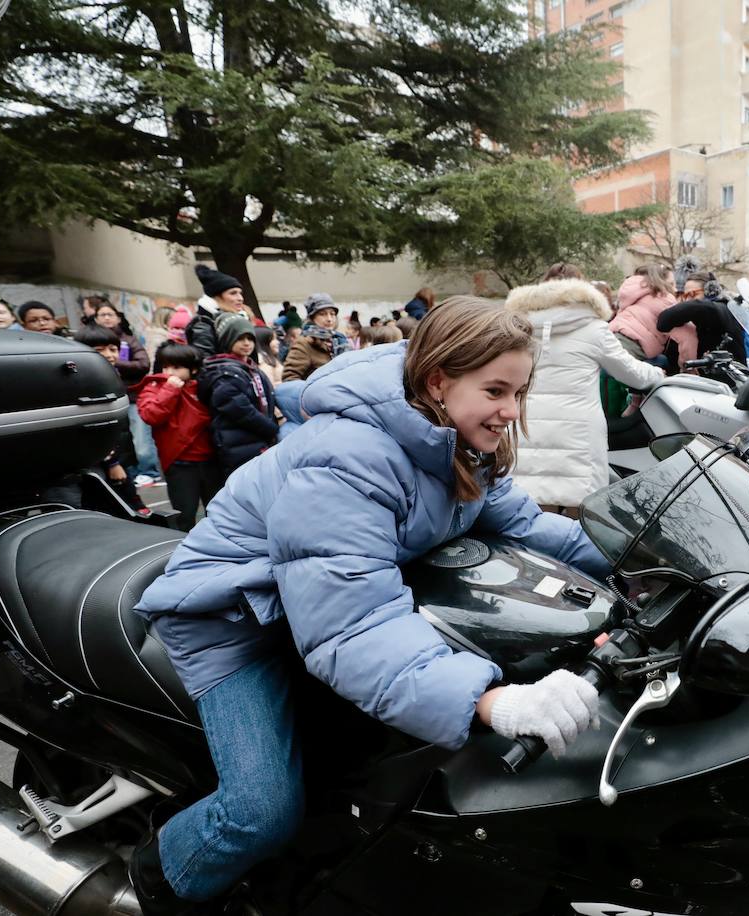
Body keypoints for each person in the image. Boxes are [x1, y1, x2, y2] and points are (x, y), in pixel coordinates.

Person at [129, 299, 609, 910]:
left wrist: (641, 559)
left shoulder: (451, 440)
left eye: (519, 392)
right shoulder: (349, 457)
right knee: (261, 811)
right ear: (438, 380)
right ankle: (153, 886)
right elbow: (350, 627)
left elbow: (532, 527)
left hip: (315, 605)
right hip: (235, 621)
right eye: (496, 390)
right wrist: (491, 700)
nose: (511, 411)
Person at [504, 279, 663, 510]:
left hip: (527, 424)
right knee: (581, 513)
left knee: (531, 505)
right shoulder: (594, 329)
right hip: (579, 432)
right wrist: (658, 373)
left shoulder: (516, 330)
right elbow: (632, 373)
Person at [137, 344, 219, 531]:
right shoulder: (155, 387)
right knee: (184, 516)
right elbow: (150, 415)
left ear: (193, 369)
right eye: (166, 367)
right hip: (179, 463)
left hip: (210, 461)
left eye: (176, 367)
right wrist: (170, 390)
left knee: (217, 513)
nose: (169, 372)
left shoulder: (204, 387)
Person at [75, 325, 151, 515]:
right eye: (99, 350)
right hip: (100, 462)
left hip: (118, 456)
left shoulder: (111, 376)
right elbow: (97, 424)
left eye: (113, 349)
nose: (109, 355)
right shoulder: (87, 383)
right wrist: (112, 463)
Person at [198, 312, 278, 481]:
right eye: (240, 338)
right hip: (238, 446)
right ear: (227, 340)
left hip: (257, 442)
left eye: (250, 338)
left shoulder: (248, 366)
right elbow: (240, 409)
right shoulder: (223, 371)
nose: (247, 343)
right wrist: (271, 429)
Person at [609, 265, 696, 370]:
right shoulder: (665, 299)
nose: (675, 289)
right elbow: (687, 335)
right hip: (633, 348)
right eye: (671, 284)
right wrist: (688, 368)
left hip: (612, 337)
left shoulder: (635, 295)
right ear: (659, 281)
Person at [657, 272, 747, 363]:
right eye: (685, 296)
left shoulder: (718, 309)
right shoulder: (708, 314)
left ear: (710, 292)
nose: (688, 300)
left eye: (692, 294)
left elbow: (663, 321)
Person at [281, 293, 349, 382]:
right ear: (312, 318)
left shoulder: (340, 340)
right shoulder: (304, 343)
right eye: (322, 314)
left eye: (332, 314)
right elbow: (289, 379)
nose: (329, 319)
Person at [187, 265, 248, 356]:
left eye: (240, 293)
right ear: (216, 297)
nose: (240, 298)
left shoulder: (240, 319)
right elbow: (206, 361)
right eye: (233, 293)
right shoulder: (203, 325)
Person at [252, 326, 284, 391]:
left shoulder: (270, 358)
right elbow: (270, 387)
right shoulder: (263, 362)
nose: (277, 342)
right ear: (263, 341)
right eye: (273, 339)